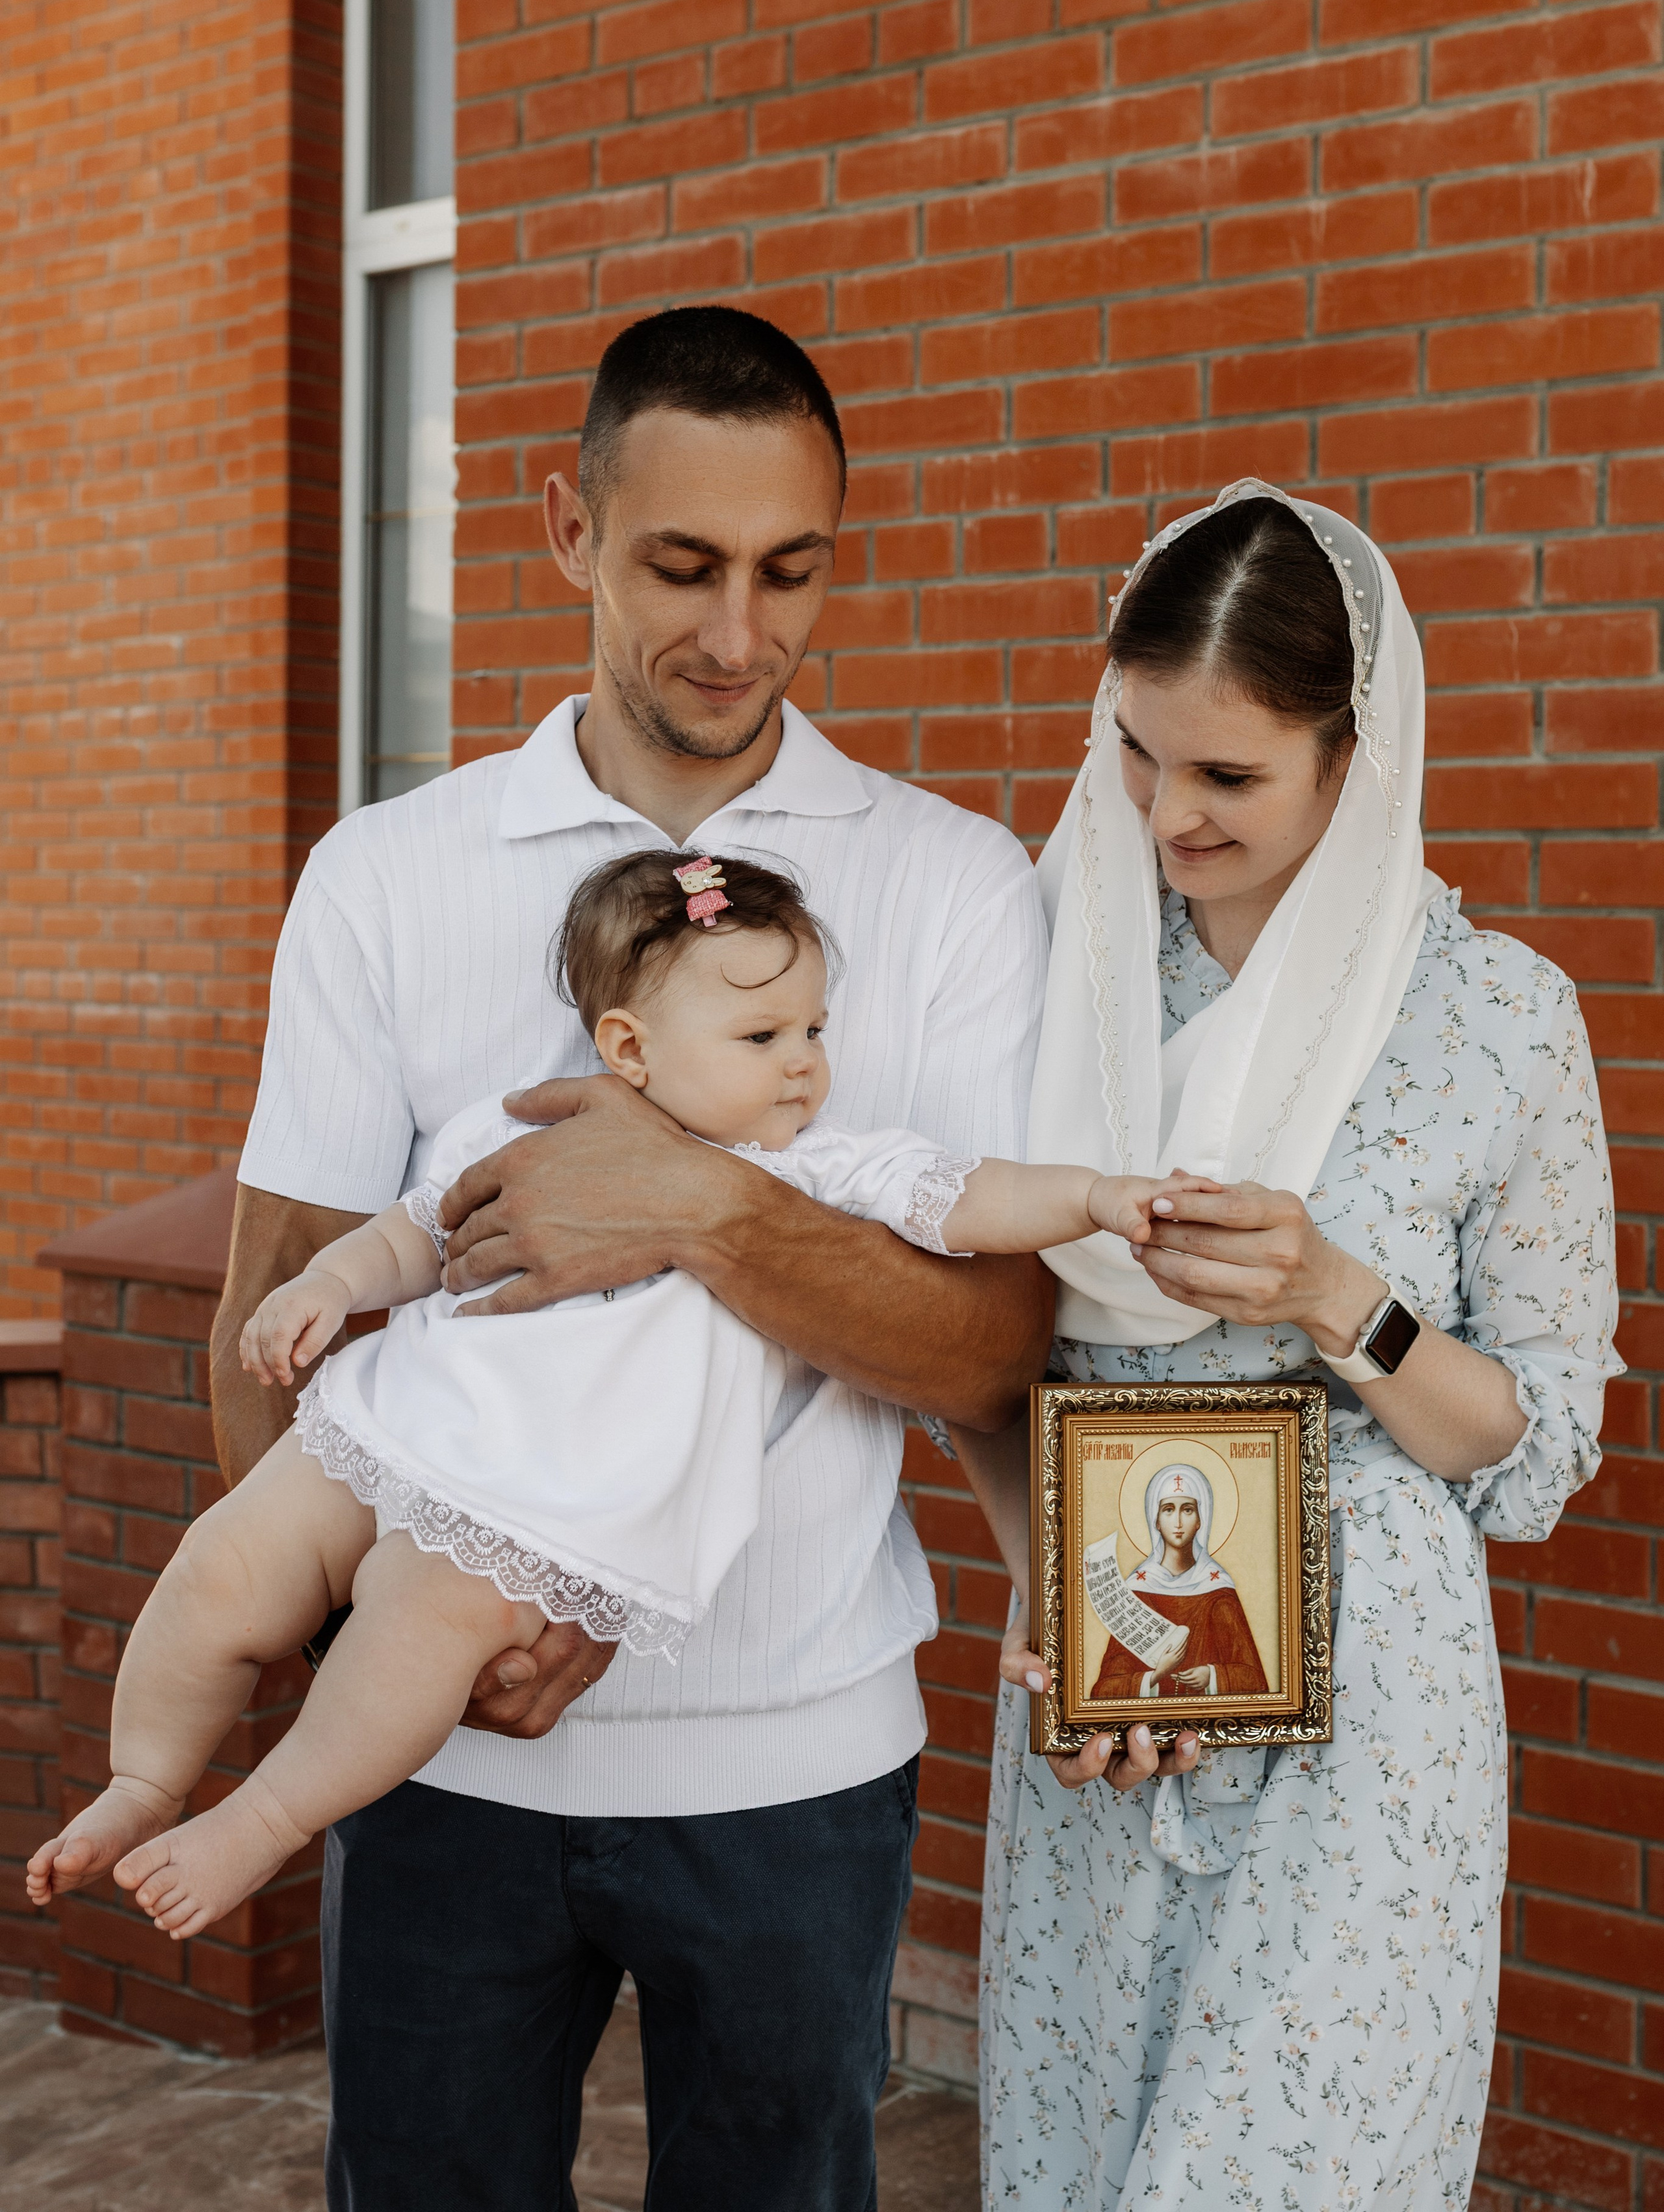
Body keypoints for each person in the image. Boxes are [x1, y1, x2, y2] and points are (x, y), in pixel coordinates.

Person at [27, 848, 1202, 1944]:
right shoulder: (529, 1120)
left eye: (814, 1028)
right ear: (630, 1048)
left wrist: (1097, 1197)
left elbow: (972, 1198)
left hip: (529, 1511)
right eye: (761, 1032)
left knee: (411, 1647)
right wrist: (326, 1287)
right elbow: (419, 1228)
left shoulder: (813, 1171)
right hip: (394, 1422)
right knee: (223, 1564)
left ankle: (264, 1818)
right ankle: (143, 1777)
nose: (804, 1061)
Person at [959, 478, 1618, 2209]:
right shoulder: (1037, 965)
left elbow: (1528, 1446)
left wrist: (1341, 1293)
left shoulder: (1499, 1021)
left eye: (1229, 774)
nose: (1165, 813)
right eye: (1133, 752)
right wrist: (1052, 1576)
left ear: (1357, 754)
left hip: (1367, 1745)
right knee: (1084, 2161)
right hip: (1111, 1673)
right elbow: (964, 1335)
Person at [1088, 1466, 1268, 1701]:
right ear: (1157, 1521)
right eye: (1169, 1510)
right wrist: (1154, 1676)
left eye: (1188, 1510)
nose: (1179, 1521)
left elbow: (1255, 1681)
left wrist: (1212, 1675)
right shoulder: (1137, 1594)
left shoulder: (1218, 1593)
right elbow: (1103, 1691)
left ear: (1200, 1520)